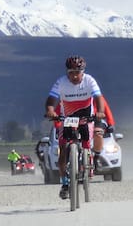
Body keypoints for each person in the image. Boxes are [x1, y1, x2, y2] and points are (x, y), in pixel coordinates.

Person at [45, 55, 106, 200]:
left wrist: (100, 112)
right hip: (68, 119)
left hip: (87, 117)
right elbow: (51, 100)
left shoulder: (89, 81)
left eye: (77, 72)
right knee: (63, 151)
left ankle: (92, 159)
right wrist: (50, 111)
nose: (73, 76)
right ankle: (65, 183)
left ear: (82, 72)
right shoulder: (61, 82)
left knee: (92, 138)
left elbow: (98, 97)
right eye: (71, 72)